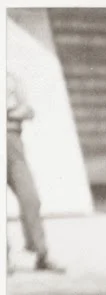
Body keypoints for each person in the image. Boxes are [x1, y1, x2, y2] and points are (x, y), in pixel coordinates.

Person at [7, 70, 61, 273]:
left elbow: (28, 110)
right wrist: (13, 112)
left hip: (13, 142)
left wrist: (11, 113)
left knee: (30, 198)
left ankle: (41, 254)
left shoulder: (11, 77)